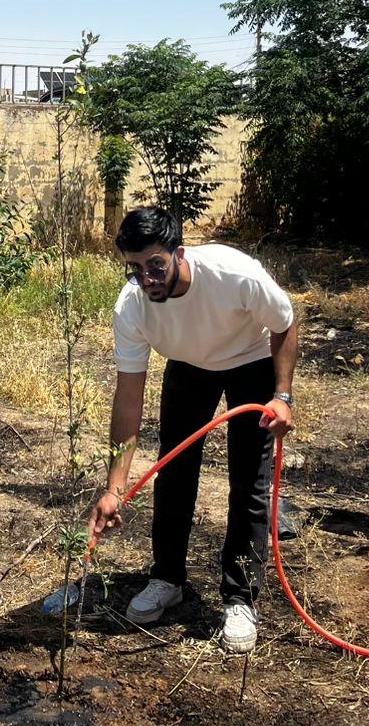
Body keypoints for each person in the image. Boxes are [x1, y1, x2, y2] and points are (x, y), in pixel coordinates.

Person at [88, 207, 297, 655]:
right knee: (175, 470)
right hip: (188, 365)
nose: (146, 278)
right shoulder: (132, 306)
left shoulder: (234, 275)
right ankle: (167, 579)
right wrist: (114, 487)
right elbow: (128, 400)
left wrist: (282, 396)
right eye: (135, 268)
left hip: (251, 360)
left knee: (249, 480)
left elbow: (284, 323)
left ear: (179, 254)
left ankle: (240, 598)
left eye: (155, 265)